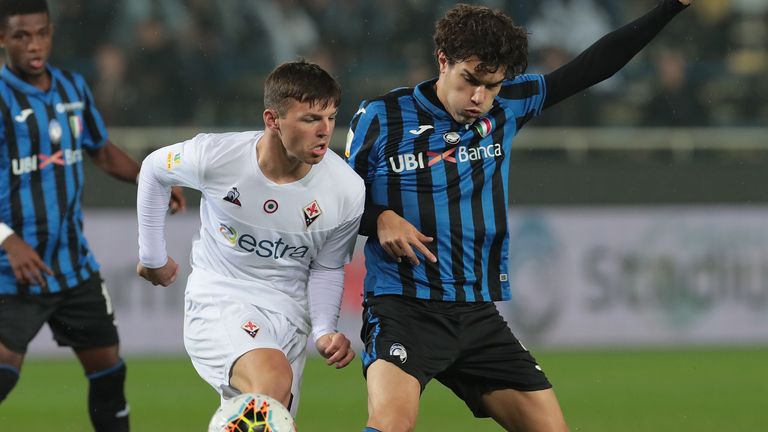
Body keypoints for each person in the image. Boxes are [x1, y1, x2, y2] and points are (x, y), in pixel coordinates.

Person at [345, 1, 694, 431]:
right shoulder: (381, 116)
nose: (479, 98)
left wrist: (670, 7)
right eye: (470, 80)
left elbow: (595, 65)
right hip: (404, 307)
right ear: (443, 61)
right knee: (390, 424)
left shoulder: (509, 104)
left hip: (476, 313)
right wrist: (378, 216)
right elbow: (339, 198)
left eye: (491, 86)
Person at [136, 60, 363, 418]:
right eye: (309, 119)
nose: (325, 131)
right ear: (272, 119)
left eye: (331, 118)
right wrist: (152, 257)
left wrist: (323, 329)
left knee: (271, 416)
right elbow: (153, 169)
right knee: (271, 381)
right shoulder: (218, 156)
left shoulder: (347, 189)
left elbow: (327, 266)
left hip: (290, 316)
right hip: (222, 297)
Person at [0, 1, 185, 431]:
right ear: (3, 39)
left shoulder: (71, 88)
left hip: (73, 267)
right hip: (14, 271)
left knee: (108, 371)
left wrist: (150, 178)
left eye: (41, 33)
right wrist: (9, 241)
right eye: (22, 36)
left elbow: (100, 150)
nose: (34, 45)